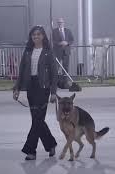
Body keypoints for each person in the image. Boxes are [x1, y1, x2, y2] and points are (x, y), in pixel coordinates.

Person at [13, 25, 58, 160]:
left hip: (43, 88)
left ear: (43, 36)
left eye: (38, 34)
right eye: (33, 34)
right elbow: (21, 72)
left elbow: (54, 74)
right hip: (31, 88)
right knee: (37, 120)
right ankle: (51, 144)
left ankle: (30, 150)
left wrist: (53, 92)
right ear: (31, 37)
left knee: (37, 119)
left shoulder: (48, 52)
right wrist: (16, 89)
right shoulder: (27, 52)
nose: (36, 36)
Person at [52, 17, 74, 88]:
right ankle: (55, 83)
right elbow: (52, 41)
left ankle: (65, 83)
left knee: (65, 68)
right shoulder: (54, 31)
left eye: (61, 22)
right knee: (56, 68)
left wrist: (67, 43)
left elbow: (72, 40)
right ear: (57, 23)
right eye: (59, 22)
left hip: (66, 52)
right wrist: (59, 43)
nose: (60, 24)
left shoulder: (68, 31)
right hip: (57, 52)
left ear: (63, 23)